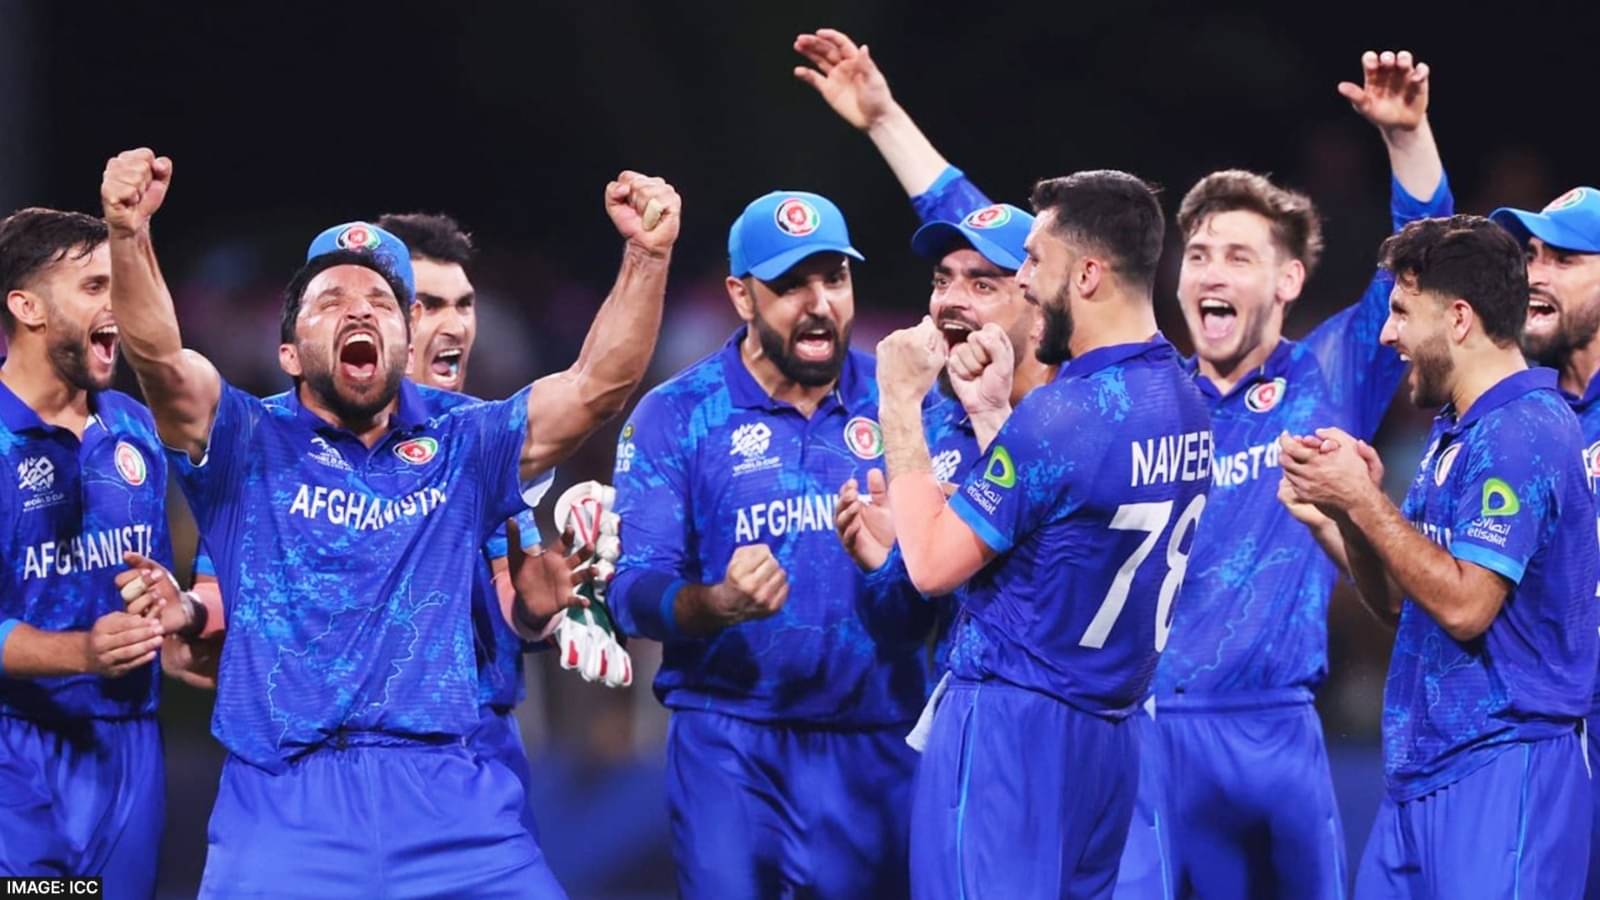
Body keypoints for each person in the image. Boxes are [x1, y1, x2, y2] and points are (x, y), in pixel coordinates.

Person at [795, 32, 1453, 896]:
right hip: (1138, 719)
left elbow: (1422, 267)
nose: (1211, 272)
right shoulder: (1157, 396)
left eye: (1239, 256)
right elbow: (1022, 250)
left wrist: (1407, 140)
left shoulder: (1319, 378)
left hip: (1253, 722)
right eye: (1199, 253)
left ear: (1289, 281)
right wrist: (886, 121)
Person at [100, 147, 679, 896]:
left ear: (404, 341)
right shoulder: (245, 440)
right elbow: (159, 360)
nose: (358, 310)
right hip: (287, 804)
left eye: (380, 300)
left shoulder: (467, 442)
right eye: (330, 300)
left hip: (452, 801)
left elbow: (597, 385)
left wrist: (647, 255)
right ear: (288, 352)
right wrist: (128, 233)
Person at [877, 170, 1211, 899]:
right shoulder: (1184, 400)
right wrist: (994, 416)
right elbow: (1067, 521)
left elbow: (929, 565)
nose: (1025, 281)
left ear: (1086, 275)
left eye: (1033, 260)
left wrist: (898, 402)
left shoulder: (1062, 417)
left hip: (1010, 729)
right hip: (1108, 735)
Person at [608, 189, 935, 898]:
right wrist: (714, 602)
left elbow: (962, 574)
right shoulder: (677, 415)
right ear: (741, 296)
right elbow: (631, 592)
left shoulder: (906, 404)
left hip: (880, 738)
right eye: (789, 285)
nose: (819, 304)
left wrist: (901, 563)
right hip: (729, 741)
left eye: (834, 278)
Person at [1279, 215, 1597, 899]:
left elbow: (1465, 606)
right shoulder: (1460, 429)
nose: (1387, 334)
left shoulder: (1522, 431)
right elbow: (1404, 603)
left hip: (1505, 772)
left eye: (1401, 311)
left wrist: (1364, 500)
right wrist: (1342, 516)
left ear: (1457, 318)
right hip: (1423, 771)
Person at [0, 207, 179, 898]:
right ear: (27, 307)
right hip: (17, 752)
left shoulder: (135, 428)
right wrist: (81, 652)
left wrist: (172, 603)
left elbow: (160, 587)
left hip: (130, 749)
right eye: (95, 287)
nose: (118, 305)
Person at [1488, 187, 1600, 899]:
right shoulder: (1518, 411)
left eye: (1563, 258)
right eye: (1531, 255)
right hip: (1544, 730)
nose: (1535, 274)